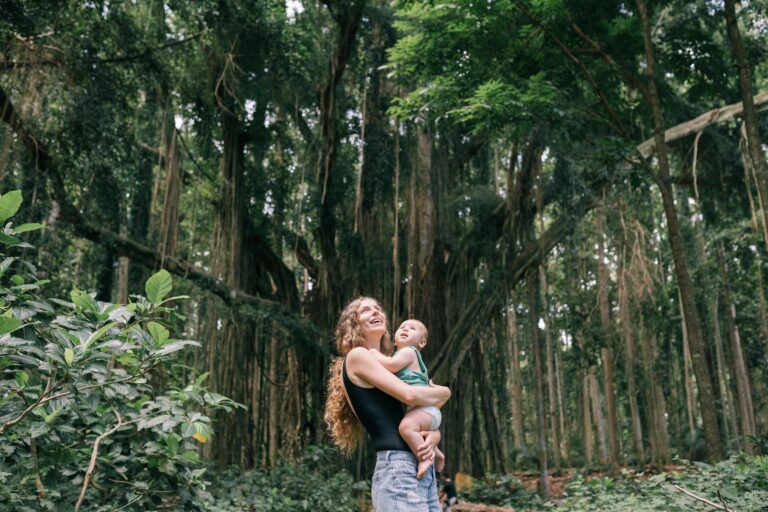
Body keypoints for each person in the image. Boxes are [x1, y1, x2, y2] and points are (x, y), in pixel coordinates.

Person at [325, 297, 451, 511]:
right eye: (366, 310)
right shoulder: (358, 356)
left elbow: (409, 414)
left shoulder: (393, 365)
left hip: (420, 469)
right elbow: (410, 396)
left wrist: (434, 436)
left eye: (378, 309)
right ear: (354, 324)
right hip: (398, 470)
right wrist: (445, 392)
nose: (376, 312)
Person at [368, 318, 445, 479]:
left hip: (425, 410)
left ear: (421, 342)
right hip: (425, 412)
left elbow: (391, 365)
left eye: (412, 328)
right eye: (402, 327)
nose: (405, 329)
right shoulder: (404, 356)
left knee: (406, 428)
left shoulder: (409, 352)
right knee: (417, 432)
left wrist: (375, 354)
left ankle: (424, 458)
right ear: (395, 341)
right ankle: (436, 453)